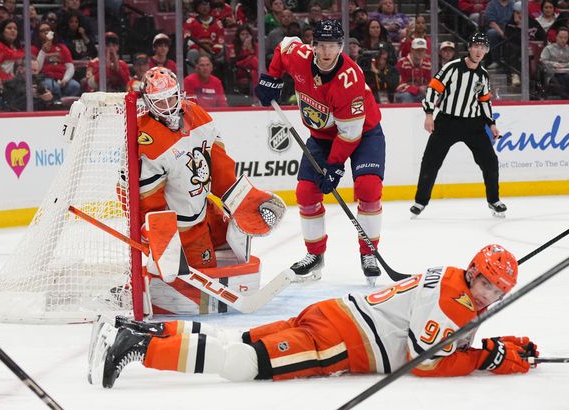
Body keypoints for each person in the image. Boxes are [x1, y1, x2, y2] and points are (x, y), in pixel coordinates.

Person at [89, 244, 537, 389]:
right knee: (247, 364)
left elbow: (451, 334)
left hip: (334, 313)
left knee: (244, 342)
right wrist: (484, 359)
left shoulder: (454, 279)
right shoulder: (452, 303)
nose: (489, 295)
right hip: (341, 341)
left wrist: (497, 349)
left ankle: (144, 328)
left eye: (498, 292)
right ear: (474, 274)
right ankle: (142, 347)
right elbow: (425, 363)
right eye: (486, 285)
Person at [255, 19, 387, 284]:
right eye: (322, 46)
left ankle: (368, 252)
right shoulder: (299, 56)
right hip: (323, 135)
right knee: (306, 192)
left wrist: (335, 166)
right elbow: (284, 46)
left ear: (341, 47)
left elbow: (350, 133)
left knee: (369, 188)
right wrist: (272, 77)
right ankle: (315, 255)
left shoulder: (349, 79)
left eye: (333, 46)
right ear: (312, 46)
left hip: (364, 132)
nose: (327, 53)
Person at [135, 66, 284, 269]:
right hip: (181, 226)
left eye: (170, 98)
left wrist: (241, 198)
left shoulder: (196, 113)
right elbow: (149, 196)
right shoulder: (145, 137)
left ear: (179, 92)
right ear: (148, 103)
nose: (168, 106)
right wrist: (156, 230)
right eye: (160, 101)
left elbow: (219, 164)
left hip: (204, 208)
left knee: (233, 248)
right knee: (203, 273)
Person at [411, 32, 506, 218]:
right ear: (469, 48)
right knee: (431, 161)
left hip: (474, 125)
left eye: (483, 47)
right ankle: (420, 202)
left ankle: (494, 200)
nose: (479, 51)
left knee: (490, 162)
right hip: (447, 122)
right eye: (476, 46)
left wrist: (492, 124)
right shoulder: (451, 68)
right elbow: (433, 89)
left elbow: (485, 101)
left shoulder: (483, 75)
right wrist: (429, 114)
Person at [394, 37, 432, 103]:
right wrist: (418, 89)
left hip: (421, 94)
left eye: (422, 50)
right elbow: (399, 87)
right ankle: (406, 113)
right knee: (407, 96)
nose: (420, 52)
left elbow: (429, 82)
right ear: (412, 50)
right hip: (403, 93)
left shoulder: (427, 64)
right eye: (417, 50)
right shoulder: (402, 63)